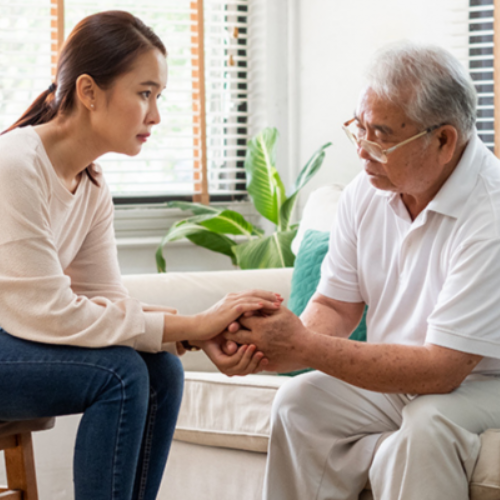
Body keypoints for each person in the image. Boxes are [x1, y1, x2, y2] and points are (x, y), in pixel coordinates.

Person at [0, 10, 280, 500]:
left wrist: (195, 332)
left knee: (159, 369)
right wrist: (191, 326)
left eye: (159, 96)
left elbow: (105, 302)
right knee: (120, 372)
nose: (155, 115)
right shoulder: (15, 165)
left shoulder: (89, 182)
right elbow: (51, 315)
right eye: (144, 93)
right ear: (89, 92)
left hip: (16, 341)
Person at [225, 42, 500, 500]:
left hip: (482, 381)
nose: (362, 150)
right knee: (299, 404)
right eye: (360, 127)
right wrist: (279, 346)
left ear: (444, 140)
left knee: (426, 423)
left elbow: (442, 371)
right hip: (403, 374)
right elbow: (335, 303)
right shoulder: (364, 193)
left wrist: (304, 345)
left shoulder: (491, 214)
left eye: (382, 136)